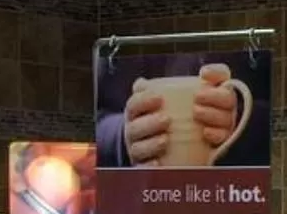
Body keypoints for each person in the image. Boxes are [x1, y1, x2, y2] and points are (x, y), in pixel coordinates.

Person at [97, 61, 262, 167]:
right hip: (139, 195)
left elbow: (279, 111)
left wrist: (238, 120)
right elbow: (88, 119)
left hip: (236, 192)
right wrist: (124, 135)